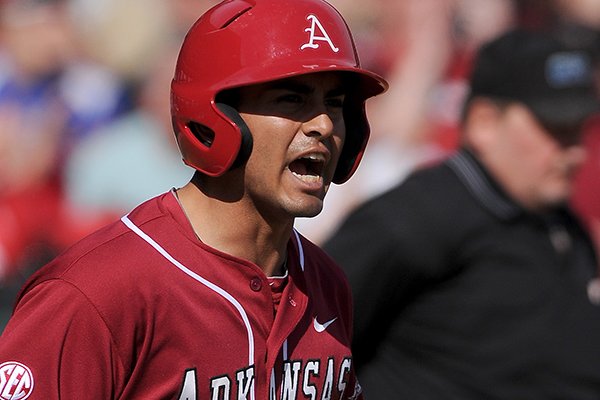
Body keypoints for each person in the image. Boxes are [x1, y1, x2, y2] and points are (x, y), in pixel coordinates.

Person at [0, 0, 387, 398]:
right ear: (216, 115)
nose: (323, 124)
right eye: (291, 99)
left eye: (335, 104)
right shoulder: (96, 293)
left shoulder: (327, 285)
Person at [324, 28, 600, 399]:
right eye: (555, 129)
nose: (576, 152)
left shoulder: (554, 216)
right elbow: (310, 341)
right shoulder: (417, 218)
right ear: (485, 122)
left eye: (577, 130)